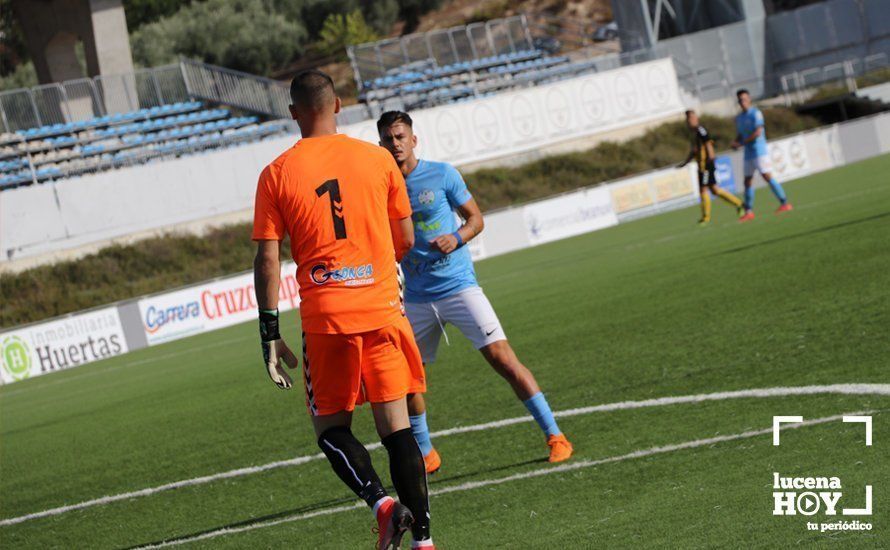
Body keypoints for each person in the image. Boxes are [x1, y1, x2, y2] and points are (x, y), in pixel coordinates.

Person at [252, 71, 434, 550]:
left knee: (332, 430)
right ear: (338, 105)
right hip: (380, 309)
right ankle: (426, 543)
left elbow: (267, 257)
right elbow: (406, 240)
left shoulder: (276, 173)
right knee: (398, 430)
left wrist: (269, 331)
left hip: (327, 318)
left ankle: (383, 505)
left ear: (293, 113)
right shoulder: (377, 160)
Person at [377, 110, 574, 475]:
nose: (396, 144)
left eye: (401, 137)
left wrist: (457, 237)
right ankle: (426, 453)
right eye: (389, 139)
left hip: (457, 287)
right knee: (406, 380)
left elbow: (476, 219)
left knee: (503, 358)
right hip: (417, 298)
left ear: (413, 139)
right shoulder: (380, 185)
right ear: (380, 144)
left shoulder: (442, 174)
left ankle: (556, 436)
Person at [730, 89, 793, 221]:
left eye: (744, 99)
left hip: (759, 151)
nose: (742, 102)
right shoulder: (740, 118)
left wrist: (742, 143)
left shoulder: (756, 113)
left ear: (749, 99)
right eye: (740, 100)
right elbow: (741, 134)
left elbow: (758, 132)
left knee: (766, 176)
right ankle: (749, 211)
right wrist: (736, 141)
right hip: (748, 153)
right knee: (747, 181)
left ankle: (785, 203)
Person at [677, 109, 744, 225]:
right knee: (714, 190)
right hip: (701, 165)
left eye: (692, 118)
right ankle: (739, 204)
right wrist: (685, 162)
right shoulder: (693, 133)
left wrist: (711, 159)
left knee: (704, 189)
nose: (690, 120)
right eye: (688, 119)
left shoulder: (700, 130)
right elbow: (694, 151)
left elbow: (708, 143)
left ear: (696, 118)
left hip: (706, 164)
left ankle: (706, 217)